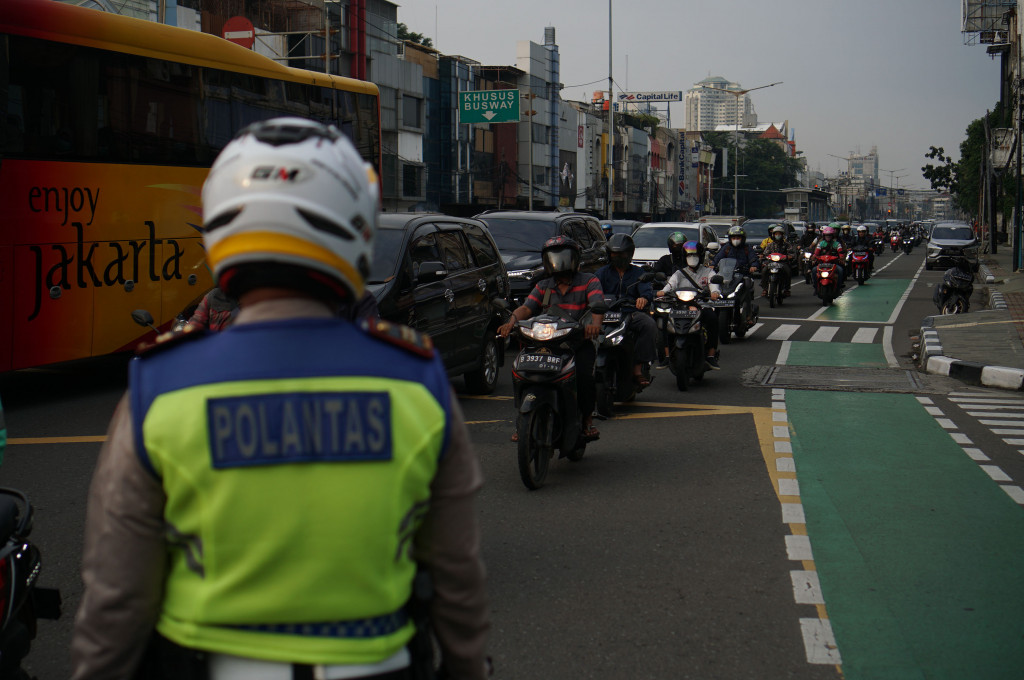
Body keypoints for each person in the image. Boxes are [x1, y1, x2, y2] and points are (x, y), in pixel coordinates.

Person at [71, 118, 490, 680]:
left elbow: (117, 597)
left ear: (221, 224)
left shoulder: (162, 386)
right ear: (356, 226)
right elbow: (456, 574)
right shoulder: (415, 381)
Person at [498, 236, 603, 440]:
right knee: (521, 372)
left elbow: (597, 305)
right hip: (545, 343)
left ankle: (587, 420)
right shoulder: (543, 285)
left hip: (576, 343)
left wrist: (594, 326)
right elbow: (527, 308)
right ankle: (523, 422)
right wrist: (511, 321)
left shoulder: (589, 281)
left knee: (584, 377)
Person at [595, 233, 658, 387]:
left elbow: (646, 290)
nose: (618, 257)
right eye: (615, 254)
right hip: (605, 313)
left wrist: (643, 298)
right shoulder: (601, 273)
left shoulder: (638, 273)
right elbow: (593, 291)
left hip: (630, 313)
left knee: (648, 324)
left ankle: (638, 369)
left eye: (622, 253)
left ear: (629, 254)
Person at [656, 241, 722, 369]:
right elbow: (671, 285)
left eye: (695, 256)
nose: (692, 259)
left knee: (713, 319)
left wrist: (714, 292)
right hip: (680, 306)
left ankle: (710, 355)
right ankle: (667, 355)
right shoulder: (679, 273)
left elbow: (714, 285)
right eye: (689, 256)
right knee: (664, 320)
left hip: (701, 305)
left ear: (701, 257)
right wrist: (662, 292)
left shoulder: (708, 272)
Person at [759, 225, 792, 297]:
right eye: (776, 234)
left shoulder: (787, 245)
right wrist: (763, 256)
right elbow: (765, 253)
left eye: (779, 234)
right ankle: (765, 288)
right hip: (771, 262)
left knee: (788, 271)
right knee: (764, 271)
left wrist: (787, 257)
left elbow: (791, 254)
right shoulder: (770, 245)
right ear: (773, 235)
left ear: (782, 235)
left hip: (783, 263)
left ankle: (786, 289)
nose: (778, 235)